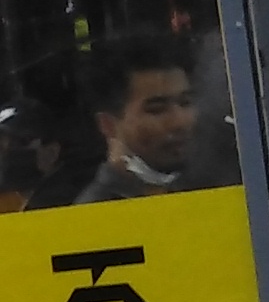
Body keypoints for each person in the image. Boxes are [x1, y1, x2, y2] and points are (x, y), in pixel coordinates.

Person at [64, 34, 201, 204]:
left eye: (185, 102)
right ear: (108, 125)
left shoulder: (205, 187)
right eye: (157, 110)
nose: (180, 122)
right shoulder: (96, 211)